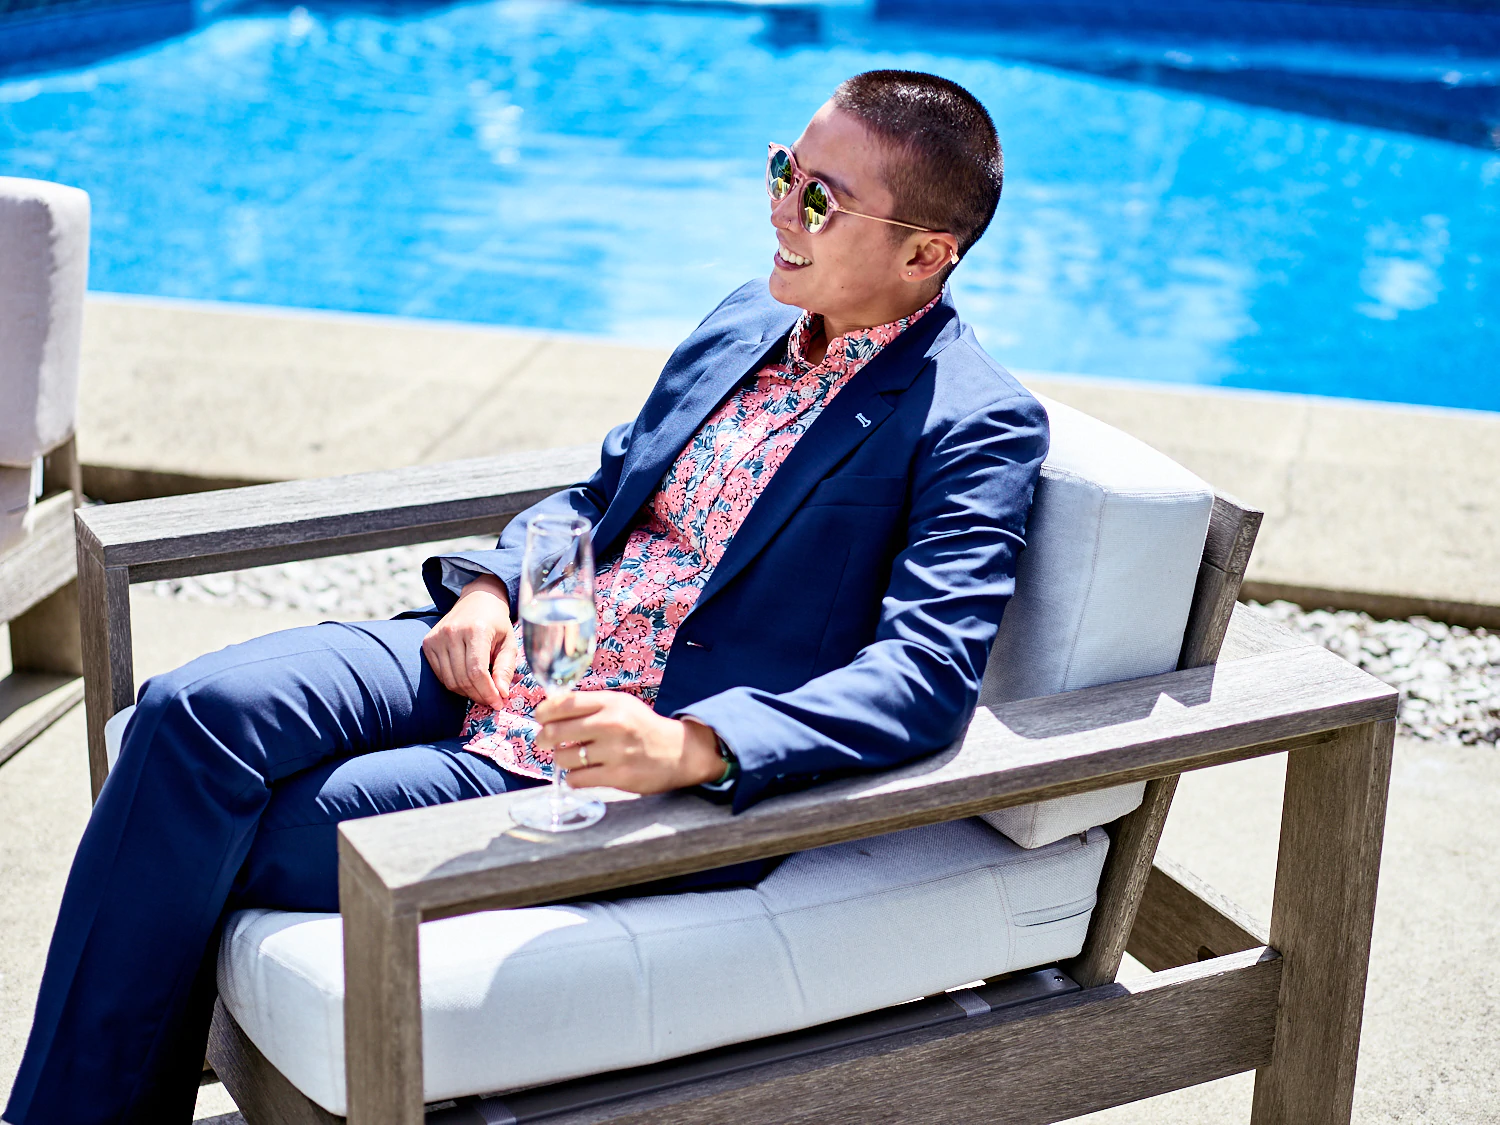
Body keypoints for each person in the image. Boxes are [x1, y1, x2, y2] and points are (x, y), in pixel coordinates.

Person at [5, 69, 1048, 1124]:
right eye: (784, 169)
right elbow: (600, 496)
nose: (780, 208)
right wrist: (499, 584)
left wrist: (697, 747)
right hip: (513, 649)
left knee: (227, 829)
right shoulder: (748, 319)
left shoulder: (973, 421)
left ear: (926, 254)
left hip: (611, 760)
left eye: (820, 198)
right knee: (190, 718)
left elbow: (925, 676)